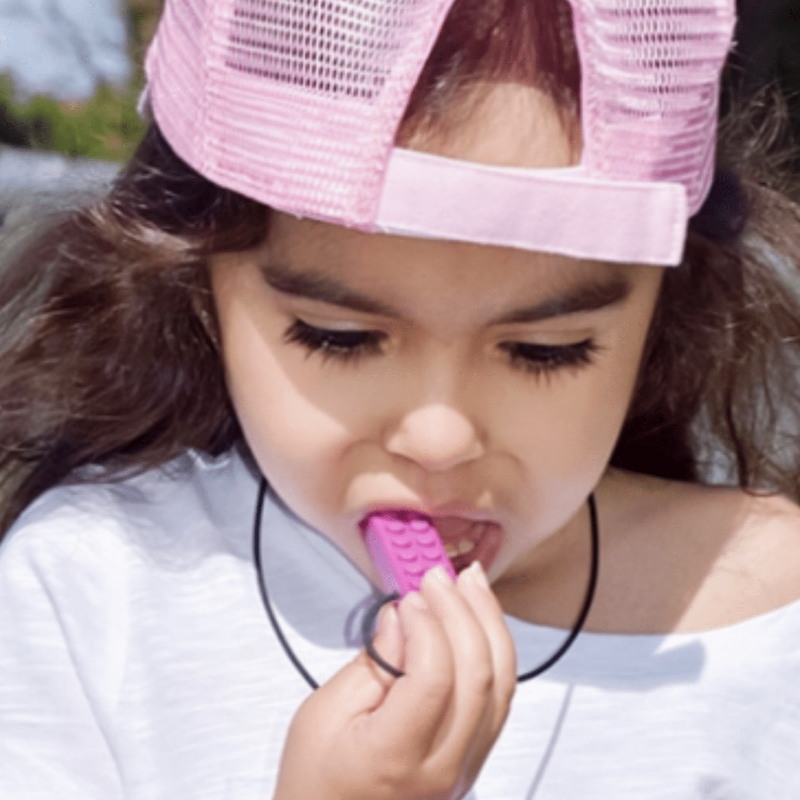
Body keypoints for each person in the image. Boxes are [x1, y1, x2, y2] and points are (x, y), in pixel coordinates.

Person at [2, 0, 800, 797]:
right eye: (337, 338)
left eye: (545, 351)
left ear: (662, 312)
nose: (439, 437)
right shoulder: (87, 598)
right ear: (200, 290)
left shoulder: (772, 625)